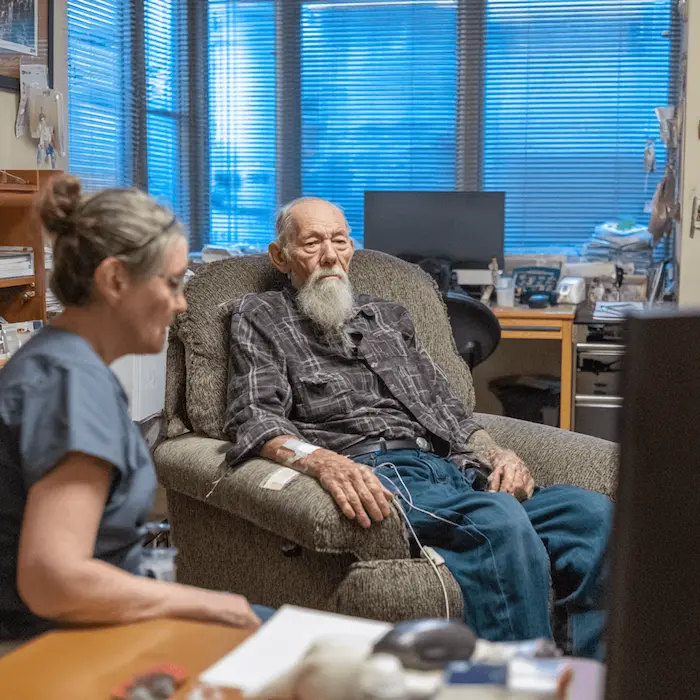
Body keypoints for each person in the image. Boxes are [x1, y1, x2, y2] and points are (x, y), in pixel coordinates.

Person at [224, 197, 612, 661]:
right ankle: (522, 689)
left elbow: (448, 408)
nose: (329, 254)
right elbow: (255, 416)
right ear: (280, 256)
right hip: (380, 472)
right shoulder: (261, 316)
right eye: (312, 242)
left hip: (450, 472)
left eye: (339, 240)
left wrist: (498, 454)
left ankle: (586, 680)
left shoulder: (389, 316)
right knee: (498, 520)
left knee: (593, 515)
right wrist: (322, 462)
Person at [0, 175, 270, 645]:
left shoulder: (63, 361)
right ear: (114, 279)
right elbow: (53, 578)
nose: (182, 304)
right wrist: (206, 600)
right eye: (170, 283)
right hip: (48, 643)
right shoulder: (70, 384)